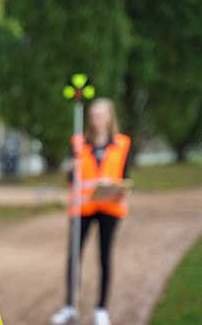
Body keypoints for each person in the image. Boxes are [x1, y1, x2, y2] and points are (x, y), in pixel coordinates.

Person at [51, 98, 131, 325]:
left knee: (104, 256)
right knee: (74, 256)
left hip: (110, 206)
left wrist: (115, 184)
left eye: (101, 114)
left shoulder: (123, 143)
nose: (97, 119)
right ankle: (69, 306)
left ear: (110, 117)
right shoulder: (78, 142)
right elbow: (70, 179)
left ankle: (102, 309)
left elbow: (125, 174)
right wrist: (70, 169)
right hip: (82, 207)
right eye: (93, 114)